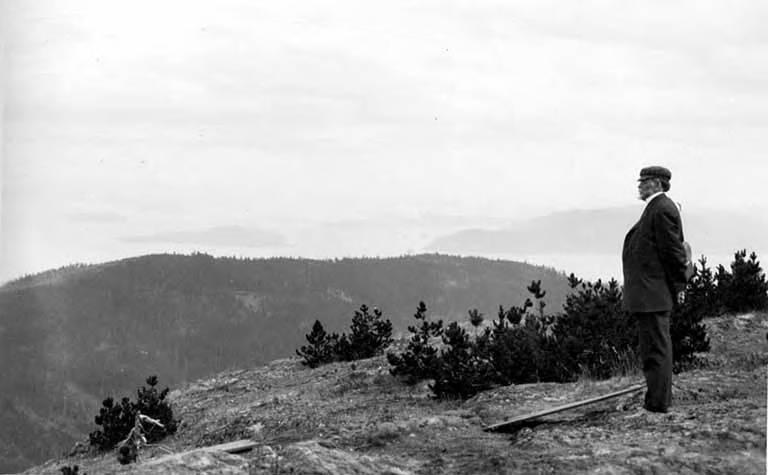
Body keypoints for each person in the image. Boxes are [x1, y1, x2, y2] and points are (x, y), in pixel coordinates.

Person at [622, 166, 689, 413]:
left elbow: (673, 253)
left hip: (654, 294)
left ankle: (658, 403)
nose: (640, 185)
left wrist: (680, 285)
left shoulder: (661, 209)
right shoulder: (656, 207)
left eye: (646, 181)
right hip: (650, 293)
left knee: (657, 349)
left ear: (659, 184)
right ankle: (656, 400)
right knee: (653, 349)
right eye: (641, 180)